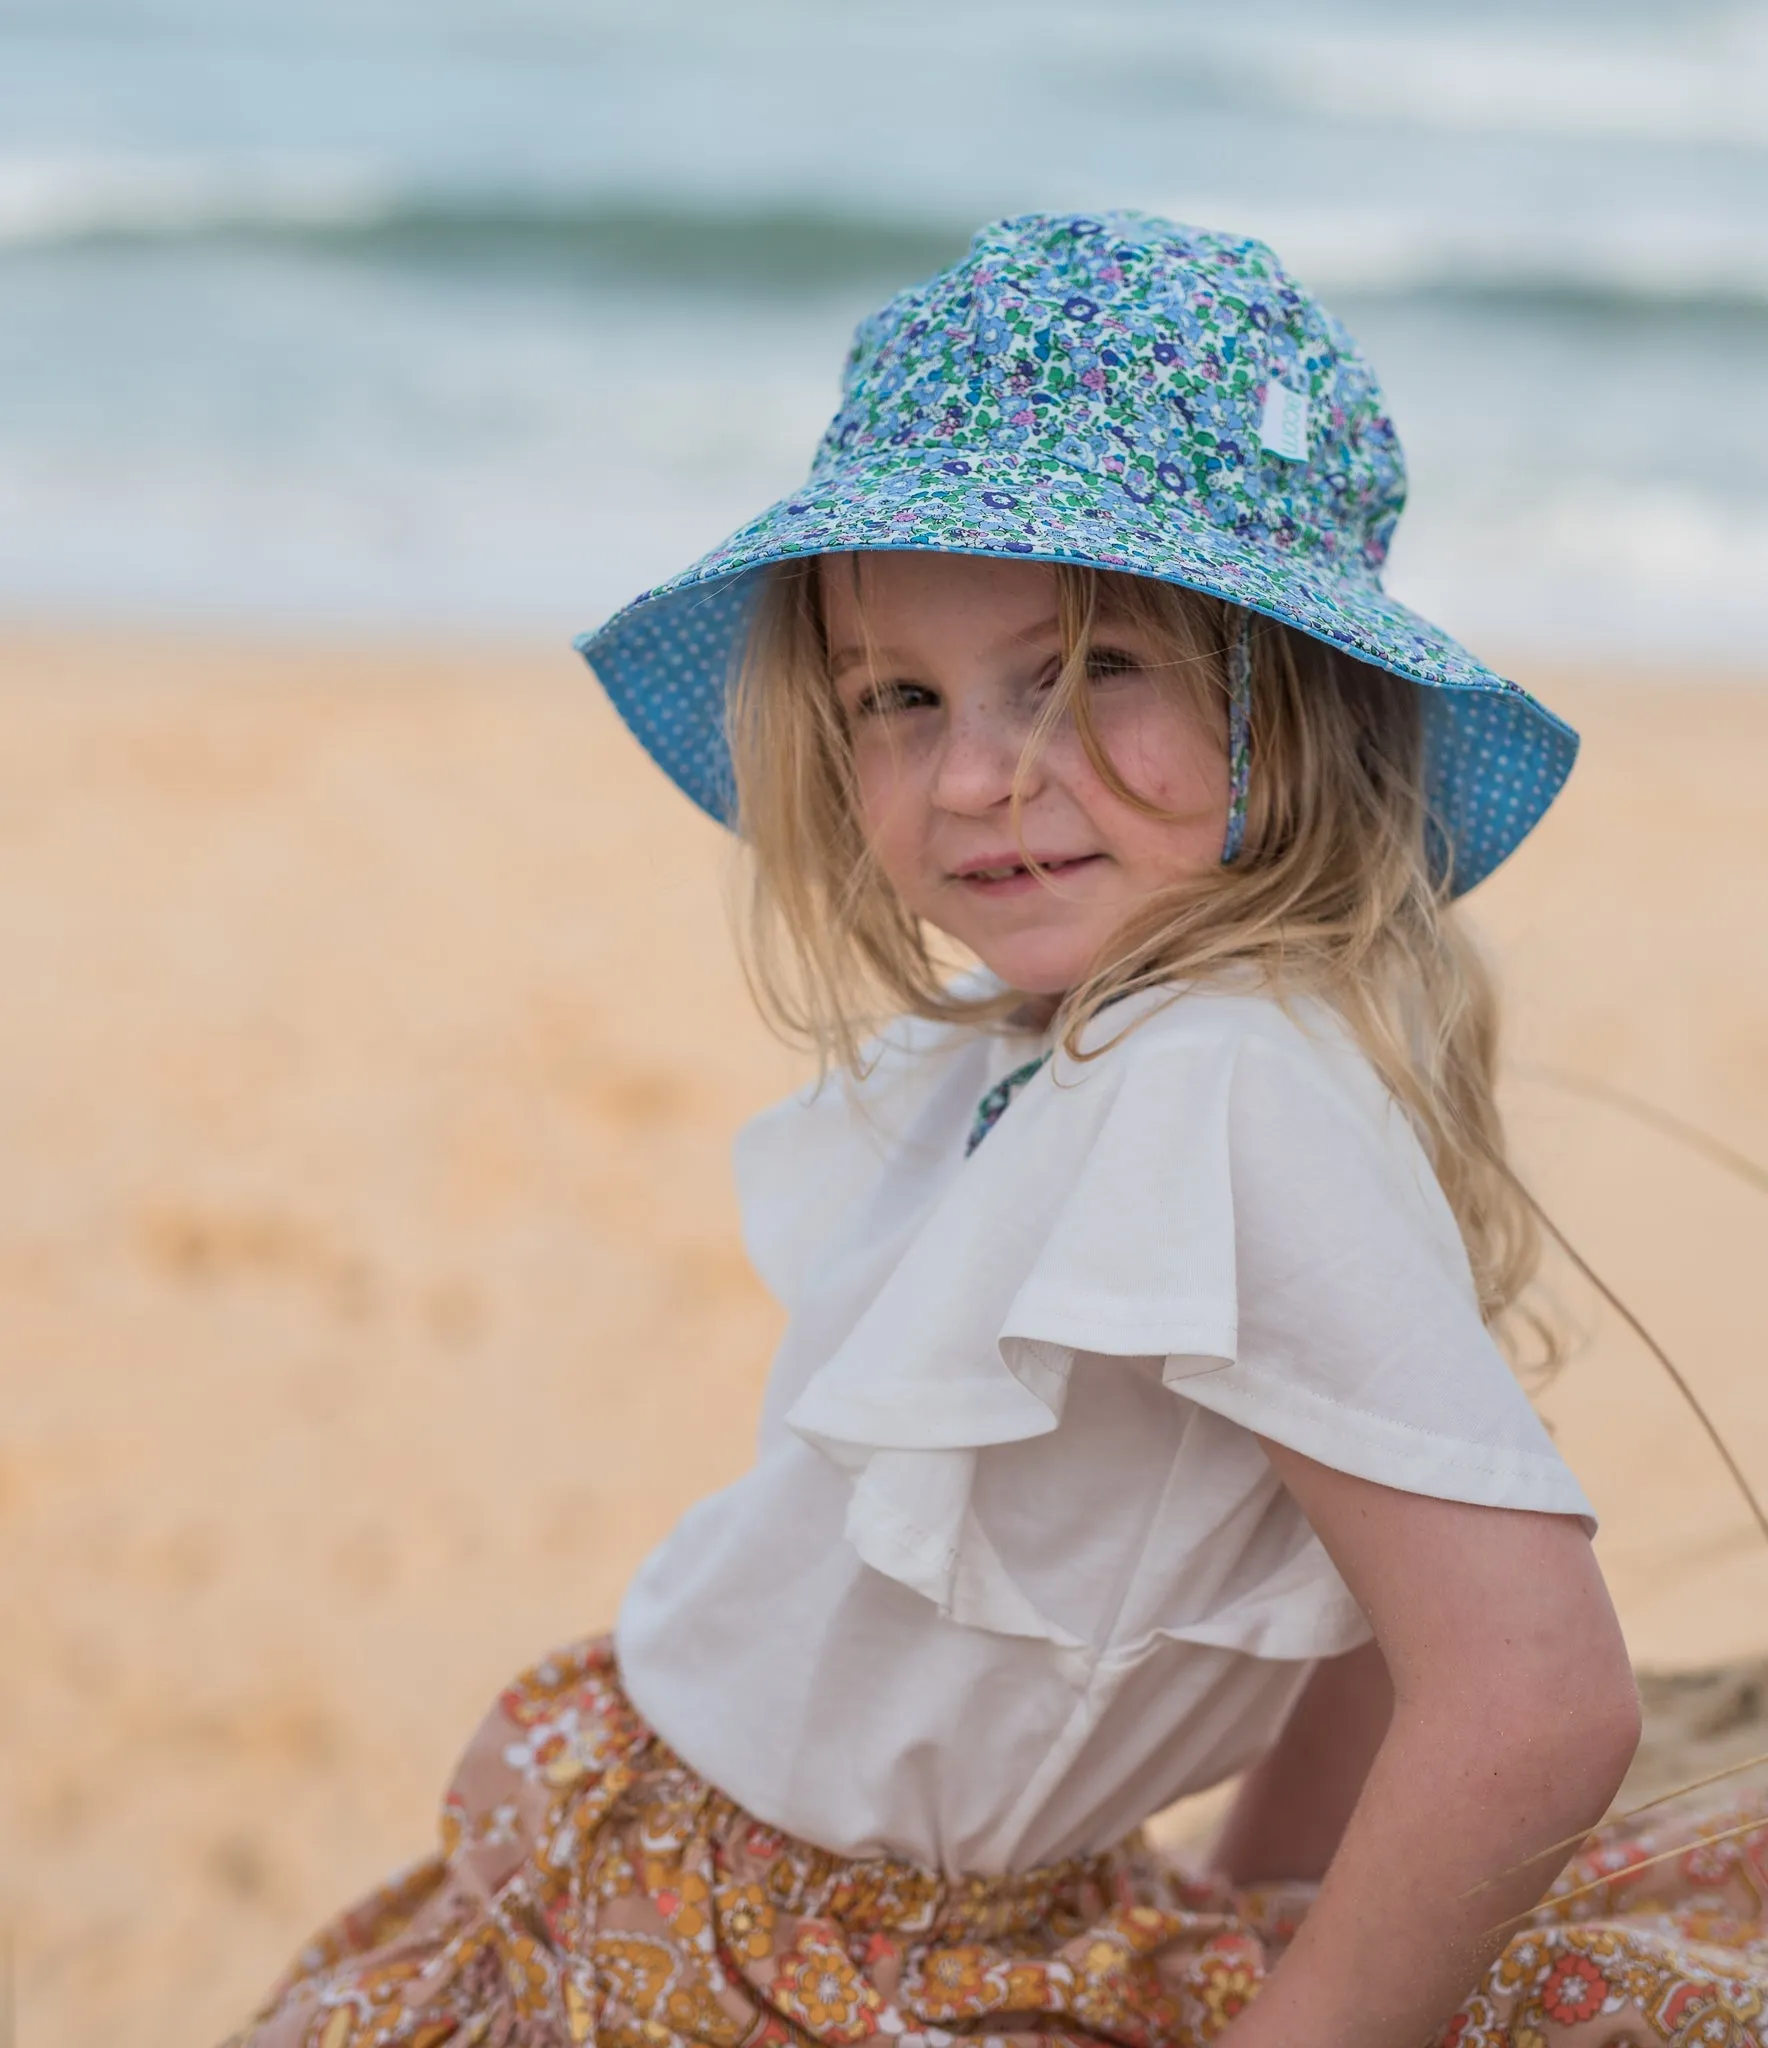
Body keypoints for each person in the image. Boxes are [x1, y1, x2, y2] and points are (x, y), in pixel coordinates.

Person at [232, 215, 1768, 2048]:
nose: (976, 775)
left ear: (1302, 692)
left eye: (1086, 668)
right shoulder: (1106, 1038)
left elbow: (1528, 1695)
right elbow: (1339, 1581)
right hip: (650, 1891)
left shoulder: (1223, 1084)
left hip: (800, 1973)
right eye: (902, 697)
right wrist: (1249, 1908)